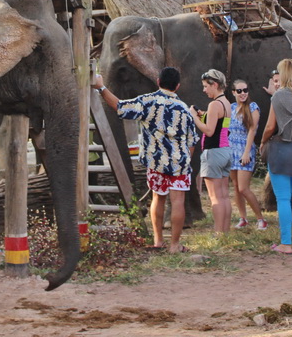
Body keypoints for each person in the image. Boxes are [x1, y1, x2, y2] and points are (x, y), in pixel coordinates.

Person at [93, 67, 198, 254]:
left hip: (156, 162)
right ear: (178, 86)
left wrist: (101, 87)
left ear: (158, 81)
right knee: (178, 201)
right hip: (179, 163)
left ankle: (158, 240)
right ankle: (175, 244)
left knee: (158, 198)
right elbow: (192, 141)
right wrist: (185, 160)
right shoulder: (184, 109)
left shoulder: (148, 102)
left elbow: (120, 107)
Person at [260, 59, 292, 253]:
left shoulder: (278, 96)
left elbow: (270, 126)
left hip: (281, 150)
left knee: (283, 198)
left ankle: (286, 243)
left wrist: (263, 141)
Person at [189, 69, 232, 234]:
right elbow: (222, 126)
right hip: (225, 151)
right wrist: (204, 115)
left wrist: (194, 116)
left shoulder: (214, 104)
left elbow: (209, 131)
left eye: (206, 86)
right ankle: (225, 231)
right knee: (224, 195)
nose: (204, 90)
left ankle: (218, 232)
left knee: (215, 197)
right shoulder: (226, 103)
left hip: (213, 153)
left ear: (215, 85)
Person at [228, 79, 267, 230]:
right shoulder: (231, 108)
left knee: (244, 188)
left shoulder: (252, 107)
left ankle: (260, 218)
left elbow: (252, 129)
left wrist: (246, 153)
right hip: (232, 149)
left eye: (245, 90)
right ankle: (243, 217)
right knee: (236, 186)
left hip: (245, 149)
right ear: (233, 93)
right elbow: (225, 127)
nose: (243, 93)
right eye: (239, 91)